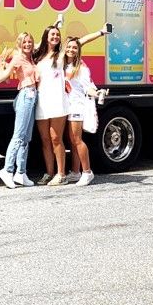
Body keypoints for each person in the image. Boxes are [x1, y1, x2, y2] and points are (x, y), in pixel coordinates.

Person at [34, 22, 108, 185]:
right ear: (46, 37)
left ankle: (63, 174)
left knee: (57, 138)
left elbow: (80, 42)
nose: (55, 37)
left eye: (57, 35)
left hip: (59, 102)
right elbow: (29, 46)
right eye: (52, 35)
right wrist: (52, 26)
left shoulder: (60, 55)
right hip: (42, 102)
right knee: (46, 140)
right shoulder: (38, 56)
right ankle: (51, 173)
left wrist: (101, 32)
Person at [0, 31, 39, 189]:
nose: (27, 44)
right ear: (19, 44)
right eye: (24, 42)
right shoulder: (18, 58)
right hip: (25, 96)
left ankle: (21, 173)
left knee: (26, 138)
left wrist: (57, 24)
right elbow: (5, 74)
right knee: (18, 136)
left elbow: (44, 42)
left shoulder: (31, 57)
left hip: (33, 97)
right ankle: (7, 170)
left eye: (30, 42)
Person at [63, 34, 106, 186]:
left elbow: (88, 87)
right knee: (72, 140)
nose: (71, 49)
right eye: (69, 47)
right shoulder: (63, 65)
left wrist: (98, 93)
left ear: (78, 50)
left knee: (77, 140)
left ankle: (87, 172)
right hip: (67, 106)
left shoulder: (81, 67)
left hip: (77, 106)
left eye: (74, 47)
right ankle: (75, 172)